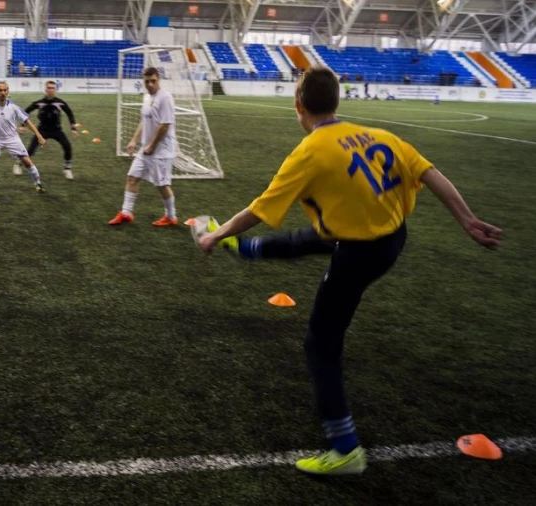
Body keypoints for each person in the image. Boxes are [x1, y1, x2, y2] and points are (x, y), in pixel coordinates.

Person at [196, 67, 502, 475]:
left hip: (360, 253)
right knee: (315, 236)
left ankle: (345, 450)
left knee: (320, 344)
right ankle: (250, 251)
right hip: (390, 236)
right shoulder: (380, 135)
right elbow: (430, 172)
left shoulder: (310, 152)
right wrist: (466, 219)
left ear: (298, 105)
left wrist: (216, 236)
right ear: (337, 101)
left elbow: (259, 209)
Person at [108, 67, 178, 227]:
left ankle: (171, 216)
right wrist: (134, 140)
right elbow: (144, 120)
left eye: (153, 81)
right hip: (146, 149)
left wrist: (152, 146)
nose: (150, 84)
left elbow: (165, 125)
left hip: (161, 151)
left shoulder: (165, 98)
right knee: (132, 177)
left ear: (158, 79)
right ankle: (126, 213)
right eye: (147, 81)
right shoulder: (147, 97)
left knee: (162, 185)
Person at [14, 80, 78, 180]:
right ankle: (18, 164)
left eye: (52, 88)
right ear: (45, 89)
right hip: (42, 131)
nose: (50, 90)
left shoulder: (60, 103)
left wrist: (73, 128)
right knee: (31, 150)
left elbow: (70, 114)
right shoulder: (40, 103)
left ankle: (67, 168)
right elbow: (26, 111)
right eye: (49, 88)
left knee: (67, 146)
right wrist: (23, 125)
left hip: (56, 130)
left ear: (56, 90)